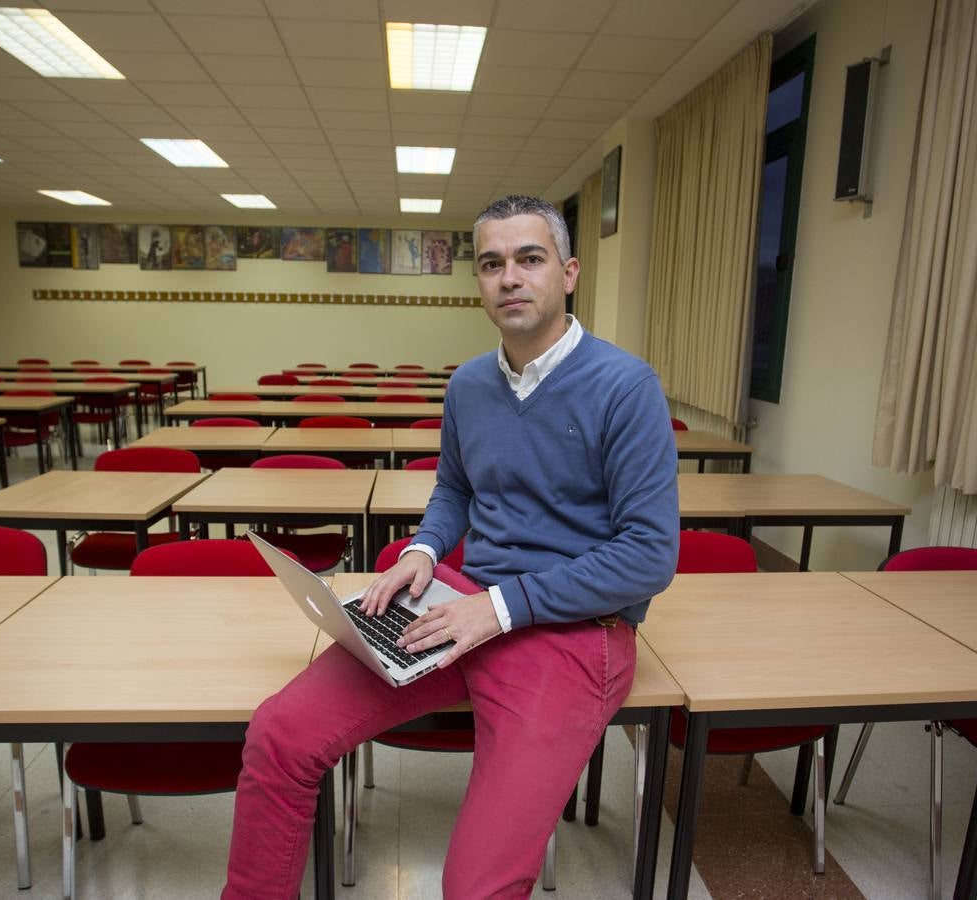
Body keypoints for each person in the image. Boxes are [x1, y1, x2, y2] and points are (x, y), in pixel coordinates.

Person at [223, 195, 679, 899]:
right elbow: (455, 491)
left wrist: (499, 609)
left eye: (530, 259)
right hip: (459, 604)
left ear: (569, 272)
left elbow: (649, 554)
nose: (510, 278)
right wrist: (425, 552)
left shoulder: (626, 387)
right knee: (280, 734)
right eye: (491, 264)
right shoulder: (468, 385)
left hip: (576, 633)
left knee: (476, 885)